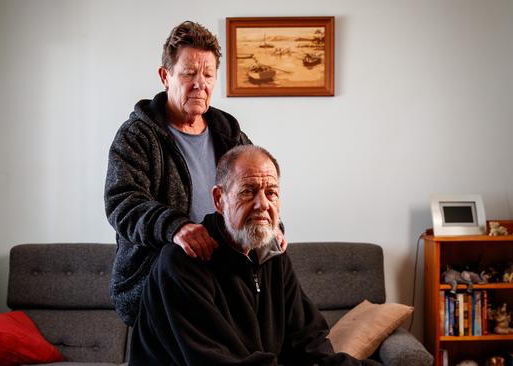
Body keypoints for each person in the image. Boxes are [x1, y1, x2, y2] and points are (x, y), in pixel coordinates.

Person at [104, 21, 285, 326]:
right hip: (159, 286)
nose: (199, 83)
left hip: (222, 283)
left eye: (208, 74)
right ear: (166, 76)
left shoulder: (232, 135)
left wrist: (272, 227)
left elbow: (258, 191)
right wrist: (176, 227)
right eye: (188, 73)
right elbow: (122, 203)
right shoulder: (137, 135)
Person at [130, 145, 379, 365]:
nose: (263, 204)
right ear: (219, 199)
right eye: (248, 191)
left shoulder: (272, 253)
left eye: (271, 192)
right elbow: (216, 360)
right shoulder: (182, 263)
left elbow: (307, 340)